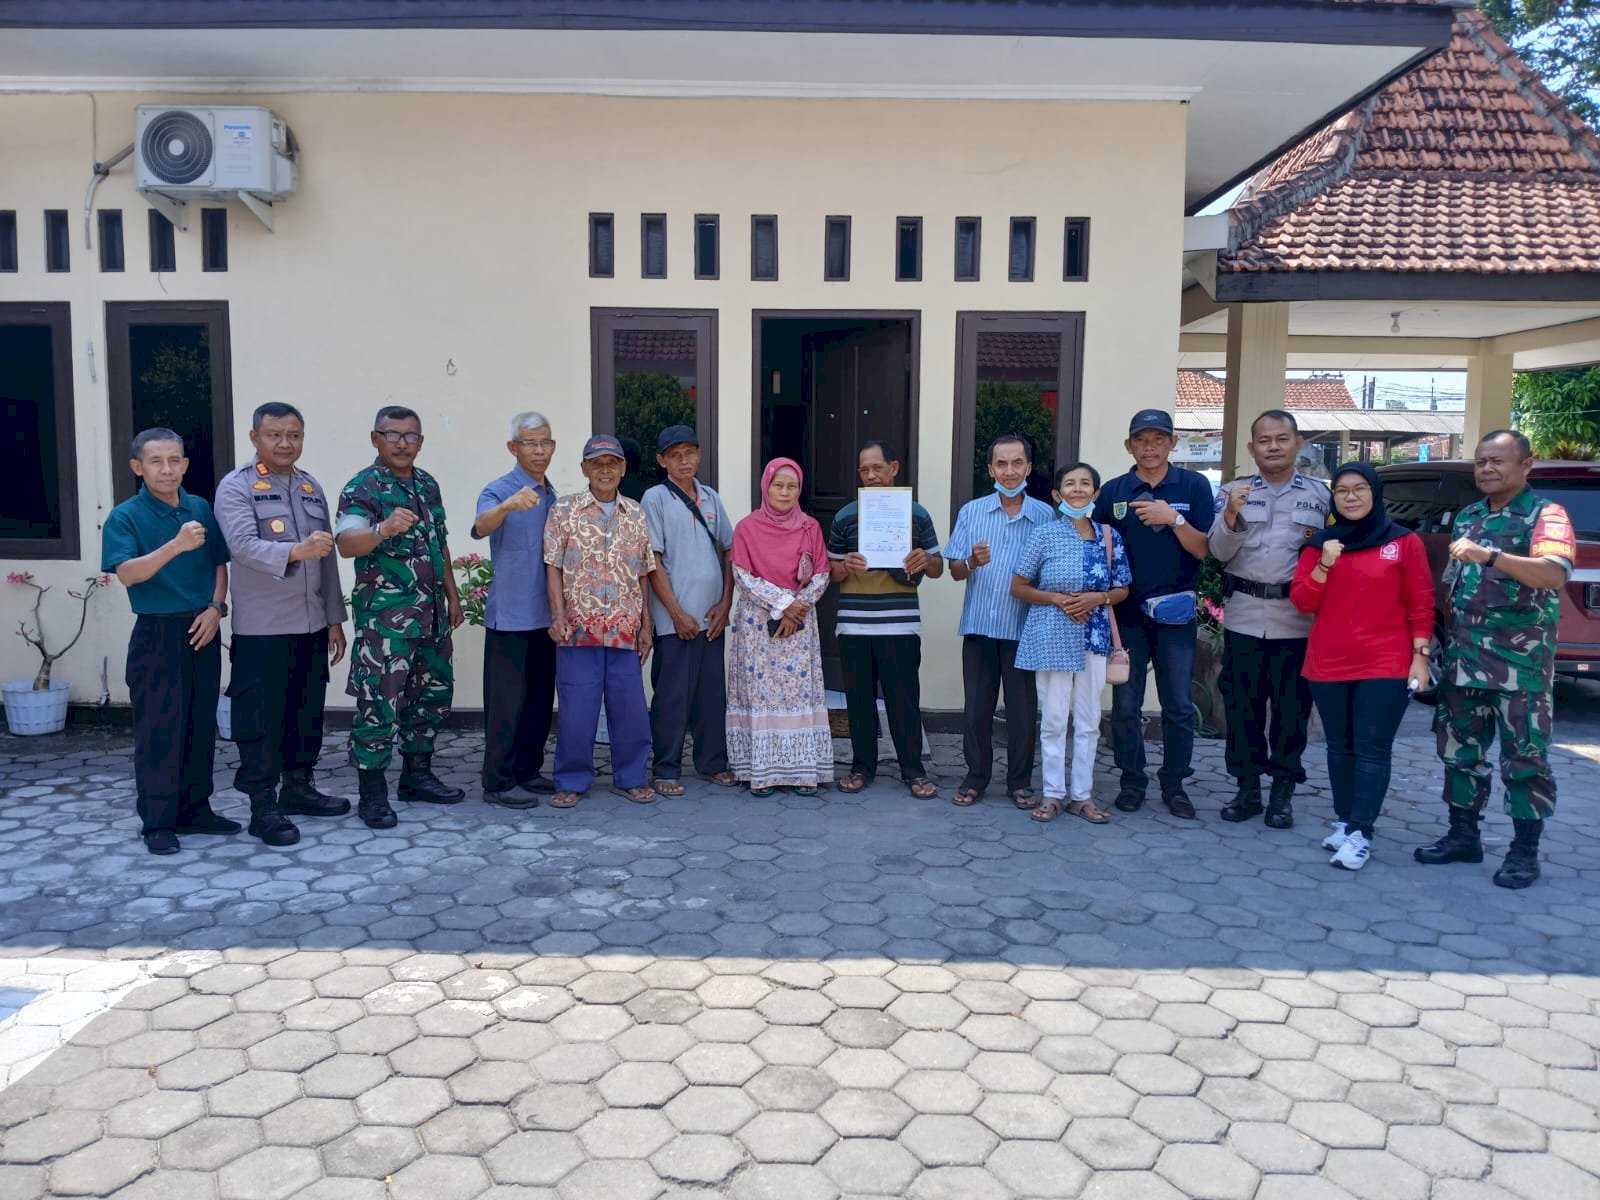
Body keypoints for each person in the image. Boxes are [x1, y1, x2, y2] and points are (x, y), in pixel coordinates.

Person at [1416, 431, 1576, 889]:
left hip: (1519, 670)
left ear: (1527, 465)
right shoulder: (1468, 515)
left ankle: (1525, 852)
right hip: (1464, 662)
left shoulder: (1546, 515)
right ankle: (1462, 836)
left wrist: (1492, 556)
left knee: (1525, 762)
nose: (1487, 469)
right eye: (1481, 461)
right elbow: (1451, 584)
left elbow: (1553, 573)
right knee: (1458, 752)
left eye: (1498, 462)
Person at [214, 402, 350, 847]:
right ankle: (262, 805)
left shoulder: (310, 486)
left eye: (294, 434)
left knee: (306, 712)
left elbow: (326, 559)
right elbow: (243, 545)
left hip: (311, 625)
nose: (285, 443)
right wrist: (294, 551)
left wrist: (334, 618)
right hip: (263, 630)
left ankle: (298, 787)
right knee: (262, 718)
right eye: (275, 435)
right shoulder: (237, 488)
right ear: (255, 438)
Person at [1290, 463, 1432, 871]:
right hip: (1330, 659)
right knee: (1339, 746)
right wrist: (1324, 565)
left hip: (1385, 660)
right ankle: (1344, 820)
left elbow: (1421, 603)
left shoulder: (1404, 543)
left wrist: (1420, 657)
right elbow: (1303, 601)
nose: (1350, 497)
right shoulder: (1321, 545)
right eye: (1342, 491)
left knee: (1371, 747)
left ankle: (1361, 832)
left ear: (1375, 492)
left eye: (1359, 489)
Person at [101, 428, 236, 856]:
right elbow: (127, 573)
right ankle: (158, 821)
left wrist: (216, 608)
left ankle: (197, 809)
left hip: (203, 627)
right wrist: (175, 546)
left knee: (199, 725)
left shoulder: (199, 507)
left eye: (175, 460)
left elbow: (218, 563)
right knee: (160, 729)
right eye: (156, 461)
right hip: (157, 632)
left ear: (185, 464)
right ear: (137, 467)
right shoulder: (125, 517)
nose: (167, 469)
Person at [335, 406, 465, 828]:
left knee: (429, 699)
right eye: (393, 435)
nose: (402, 443)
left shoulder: (427, 484)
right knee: (378, 705)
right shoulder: (363, 488)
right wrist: (383, 530)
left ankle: (417, 777)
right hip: (386, 625)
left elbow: (439, 543)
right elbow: (346, 543)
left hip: (431, 619)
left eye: (411, 436)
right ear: (376, 438)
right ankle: (372, 795)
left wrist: (453, 597)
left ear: (421, 442)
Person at [1208, 410, 1330, 830]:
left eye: (1282, 438)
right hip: (1244, 616)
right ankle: (1247, 788)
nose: (1273, 446)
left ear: (1298, 443)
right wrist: (1229, 518)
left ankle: (1283, 789)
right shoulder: (1232, 491)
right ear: (1251, 448)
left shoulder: (1321, 497)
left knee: (1291, 710)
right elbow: (1218, 553)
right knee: (1242, 708)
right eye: (1264, 440)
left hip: (1296, 621)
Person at [1094, 409, 1215, 818]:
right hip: (1126, 615)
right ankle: (1132, 781)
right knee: (1126, 704)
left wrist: (1174, 517)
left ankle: (1175, 783)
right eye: (1141, 440)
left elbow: (1204, 549)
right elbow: (1098, 548)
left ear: (1172, 442)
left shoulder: (1194, 486)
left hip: (1175, 614)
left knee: (1178, 704)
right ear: (1129, 445)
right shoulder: (1113, 492)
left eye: (1158, 439)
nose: (1150, 447)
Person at [1011, 463, 1132, 824]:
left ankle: (1081, 796)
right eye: (1069, 484)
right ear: (1057, 494)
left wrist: (1097, 599)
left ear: (1096, 494)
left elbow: (1123, 588)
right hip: (1051, 636)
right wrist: (1059, 600)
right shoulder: (1044, 535)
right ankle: (1052, 794)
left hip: (1094, 637)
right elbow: (1019, 587)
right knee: (1052, 719)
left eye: (1085, 484)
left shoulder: (1110, 536)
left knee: (1089, 719)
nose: (1077, 490)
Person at [544, 434, 656, 808]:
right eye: (597, 463)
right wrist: (557, 615)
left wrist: (646, 624)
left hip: (625, 627)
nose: (605, 470)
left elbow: (643, 572)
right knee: (578, 708)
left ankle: (631, 776)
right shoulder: (564, 510)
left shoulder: (637, 514)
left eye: (612, 463)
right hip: (578, 628)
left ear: (623, 469)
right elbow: (553, 566)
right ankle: (572, 780)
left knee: (631, 709)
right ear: (584, 469)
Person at [827, 440, 944, 798]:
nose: (871, 475)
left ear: (894, 468)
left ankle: (913, 770)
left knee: (903, 698)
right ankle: (862, 767)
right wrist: (845, 566)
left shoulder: (917, 514)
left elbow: (938, 568)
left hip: (900, 623)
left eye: (878, 467)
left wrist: (925, 560)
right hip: (854, 623)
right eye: (864, 469)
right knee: (858, 700)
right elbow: (831, 571)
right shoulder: (845, 516)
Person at [944, 434, 1053, 808]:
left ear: (1028, 467)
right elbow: (954, 571)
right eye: (1001, 464)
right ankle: (976, 777)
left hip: (1025, 628)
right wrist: (972, 561)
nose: (1009, 471)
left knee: (1023, 711)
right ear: (990, 469)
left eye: (1017, 463)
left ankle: (1020, 782)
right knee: (976, 709)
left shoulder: (1045, 516)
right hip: (979, 626)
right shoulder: (972, 512)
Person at [726, 458, 835, 795]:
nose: (785, 492)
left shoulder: (810, 527)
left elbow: (822, 573)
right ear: (766, 486)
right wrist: (786, 604)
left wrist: (796, 608)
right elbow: (742, 577)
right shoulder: (746, 528)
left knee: (798, 694)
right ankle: (760, 772)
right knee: (761, 695)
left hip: (800, 624)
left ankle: (802, 772)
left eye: (792, 486)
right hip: (759, 624)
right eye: (779, 485)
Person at [643, 424, 740, 794]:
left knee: (711, 694)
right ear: (661, 460)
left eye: (690, 453)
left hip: (711, 618)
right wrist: (676, 612)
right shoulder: (655, 498)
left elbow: (731, 550)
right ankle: (666, 769)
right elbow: (652, 560)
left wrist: (725, 602)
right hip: (675, 621)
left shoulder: (711, 497)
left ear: (699, 455)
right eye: (675, 454)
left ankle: (712, 762)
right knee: (671, 696)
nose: (684, 460)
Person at [472, 411, 560, 809]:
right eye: (530, 443)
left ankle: (528, 769)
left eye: (545, 443)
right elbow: (480, 526)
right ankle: (498, 781)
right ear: (513, 447)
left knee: (539, 701)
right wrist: (507, 506)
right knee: (506, 705)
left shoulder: (554, 495)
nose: (539, 450)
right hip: (510, 616)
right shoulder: (499, 490)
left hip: (548, 617)